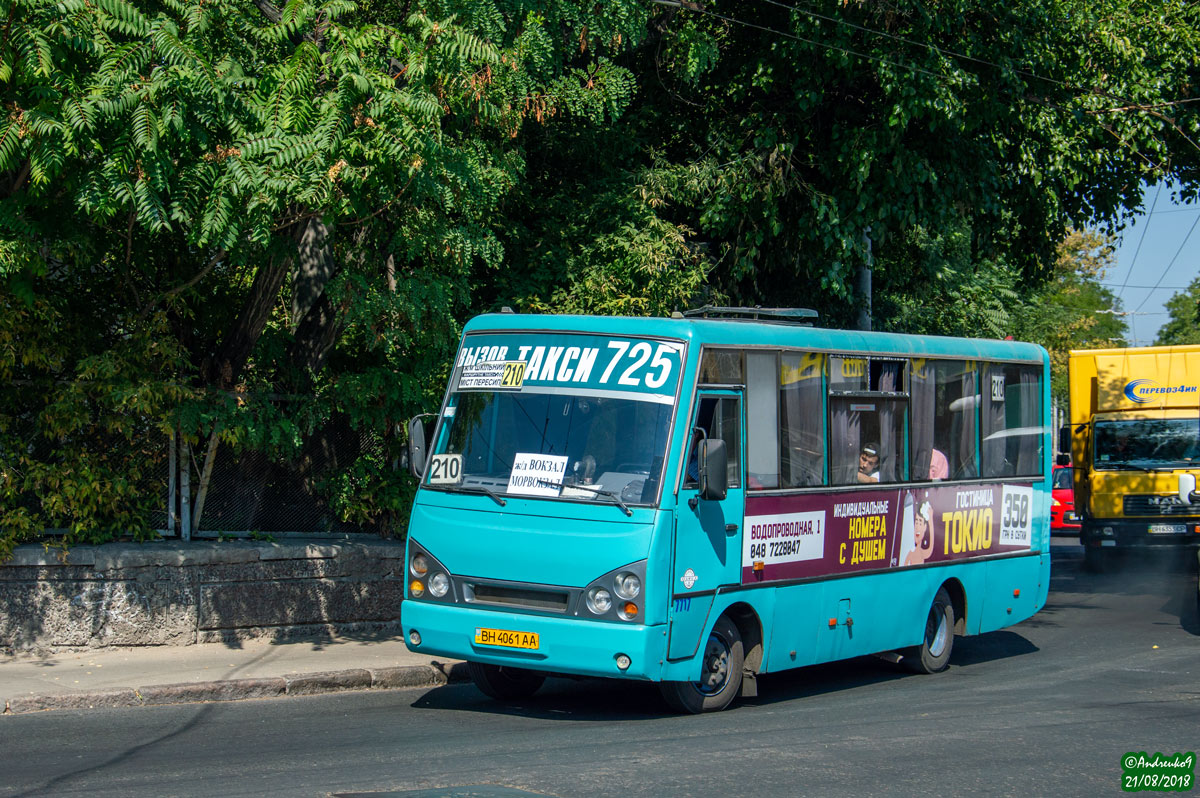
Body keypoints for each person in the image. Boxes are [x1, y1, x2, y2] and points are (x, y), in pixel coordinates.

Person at [905, 501, 935, 566]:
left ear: (925, 527)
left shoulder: (922, 553)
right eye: (916, 523)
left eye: (920, 523)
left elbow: (931, 547)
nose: (917, 527)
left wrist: (930, 522)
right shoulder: (910, 553)